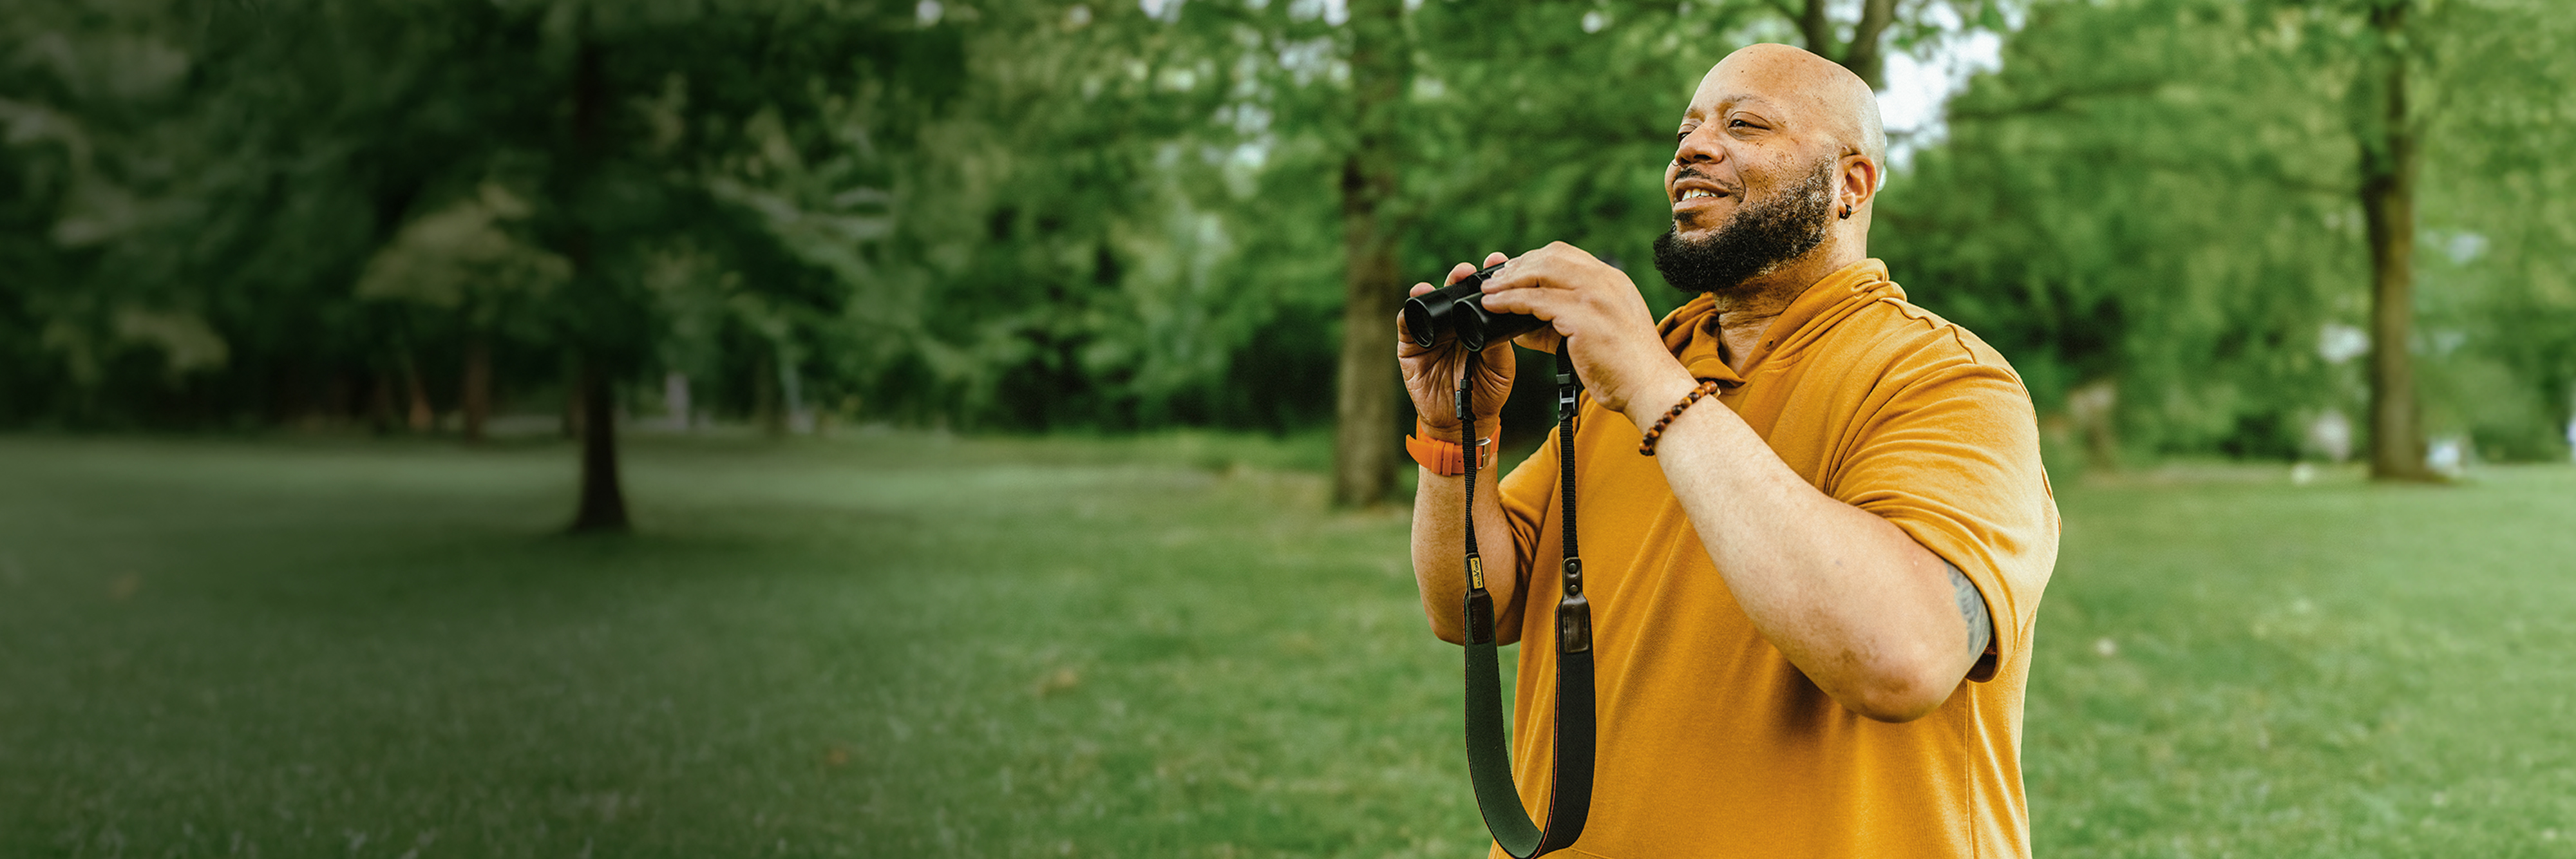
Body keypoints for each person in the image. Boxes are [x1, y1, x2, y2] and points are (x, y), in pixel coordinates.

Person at [1399, 44, 2058, 858]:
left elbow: (1901, 658)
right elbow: (1474, 604)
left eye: (1743, 124)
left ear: (1851, 185)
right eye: (1687, 130)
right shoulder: (1645, 364)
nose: (1692, 148)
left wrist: (1648, 382)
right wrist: (1455, 435)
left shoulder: (1946, 381)